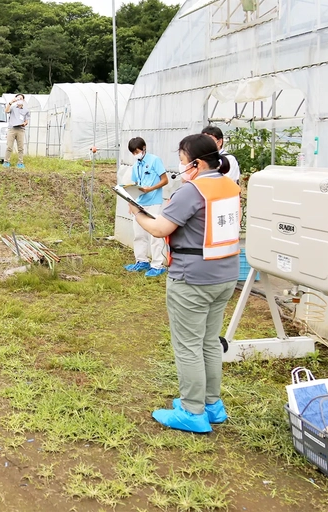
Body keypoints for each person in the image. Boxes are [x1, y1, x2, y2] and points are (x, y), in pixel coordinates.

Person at [129, 134, 241, 434]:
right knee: (209, 342)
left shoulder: (192, 191)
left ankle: (193, 411)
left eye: (182, 161)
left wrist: (137, 213)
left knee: (188, 345)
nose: (180, 167)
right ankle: (212, 404)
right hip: (225, 276)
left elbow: (160, 227)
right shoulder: (230, 185)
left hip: (193, 278)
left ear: (197, 162)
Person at [124, 137, 169, 278]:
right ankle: (141, 261)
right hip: (139, 202)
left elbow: (165, 180)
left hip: (154, 202)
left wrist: (151, 189)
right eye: (133, 152)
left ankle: (157, 265)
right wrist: (130, 202)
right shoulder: (136, 165)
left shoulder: (155, 160)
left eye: (137, 151)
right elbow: (135, 184)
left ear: (144, 148)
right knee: (138, 233)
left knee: (155, 234)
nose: (135, 154)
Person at [3, 94, 30, 169]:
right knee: (9, 146)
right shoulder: (12, 108)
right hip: (12, 129)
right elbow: (6, 111)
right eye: (18, 99)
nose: (19, 100)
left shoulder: (26, 110)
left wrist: (24, 123)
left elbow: (26, 121)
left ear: (23, 100)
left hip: (20, 129)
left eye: (21, 99)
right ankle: (6, 161)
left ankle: (20, 162)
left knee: (20, 147)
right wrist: (11, 102)